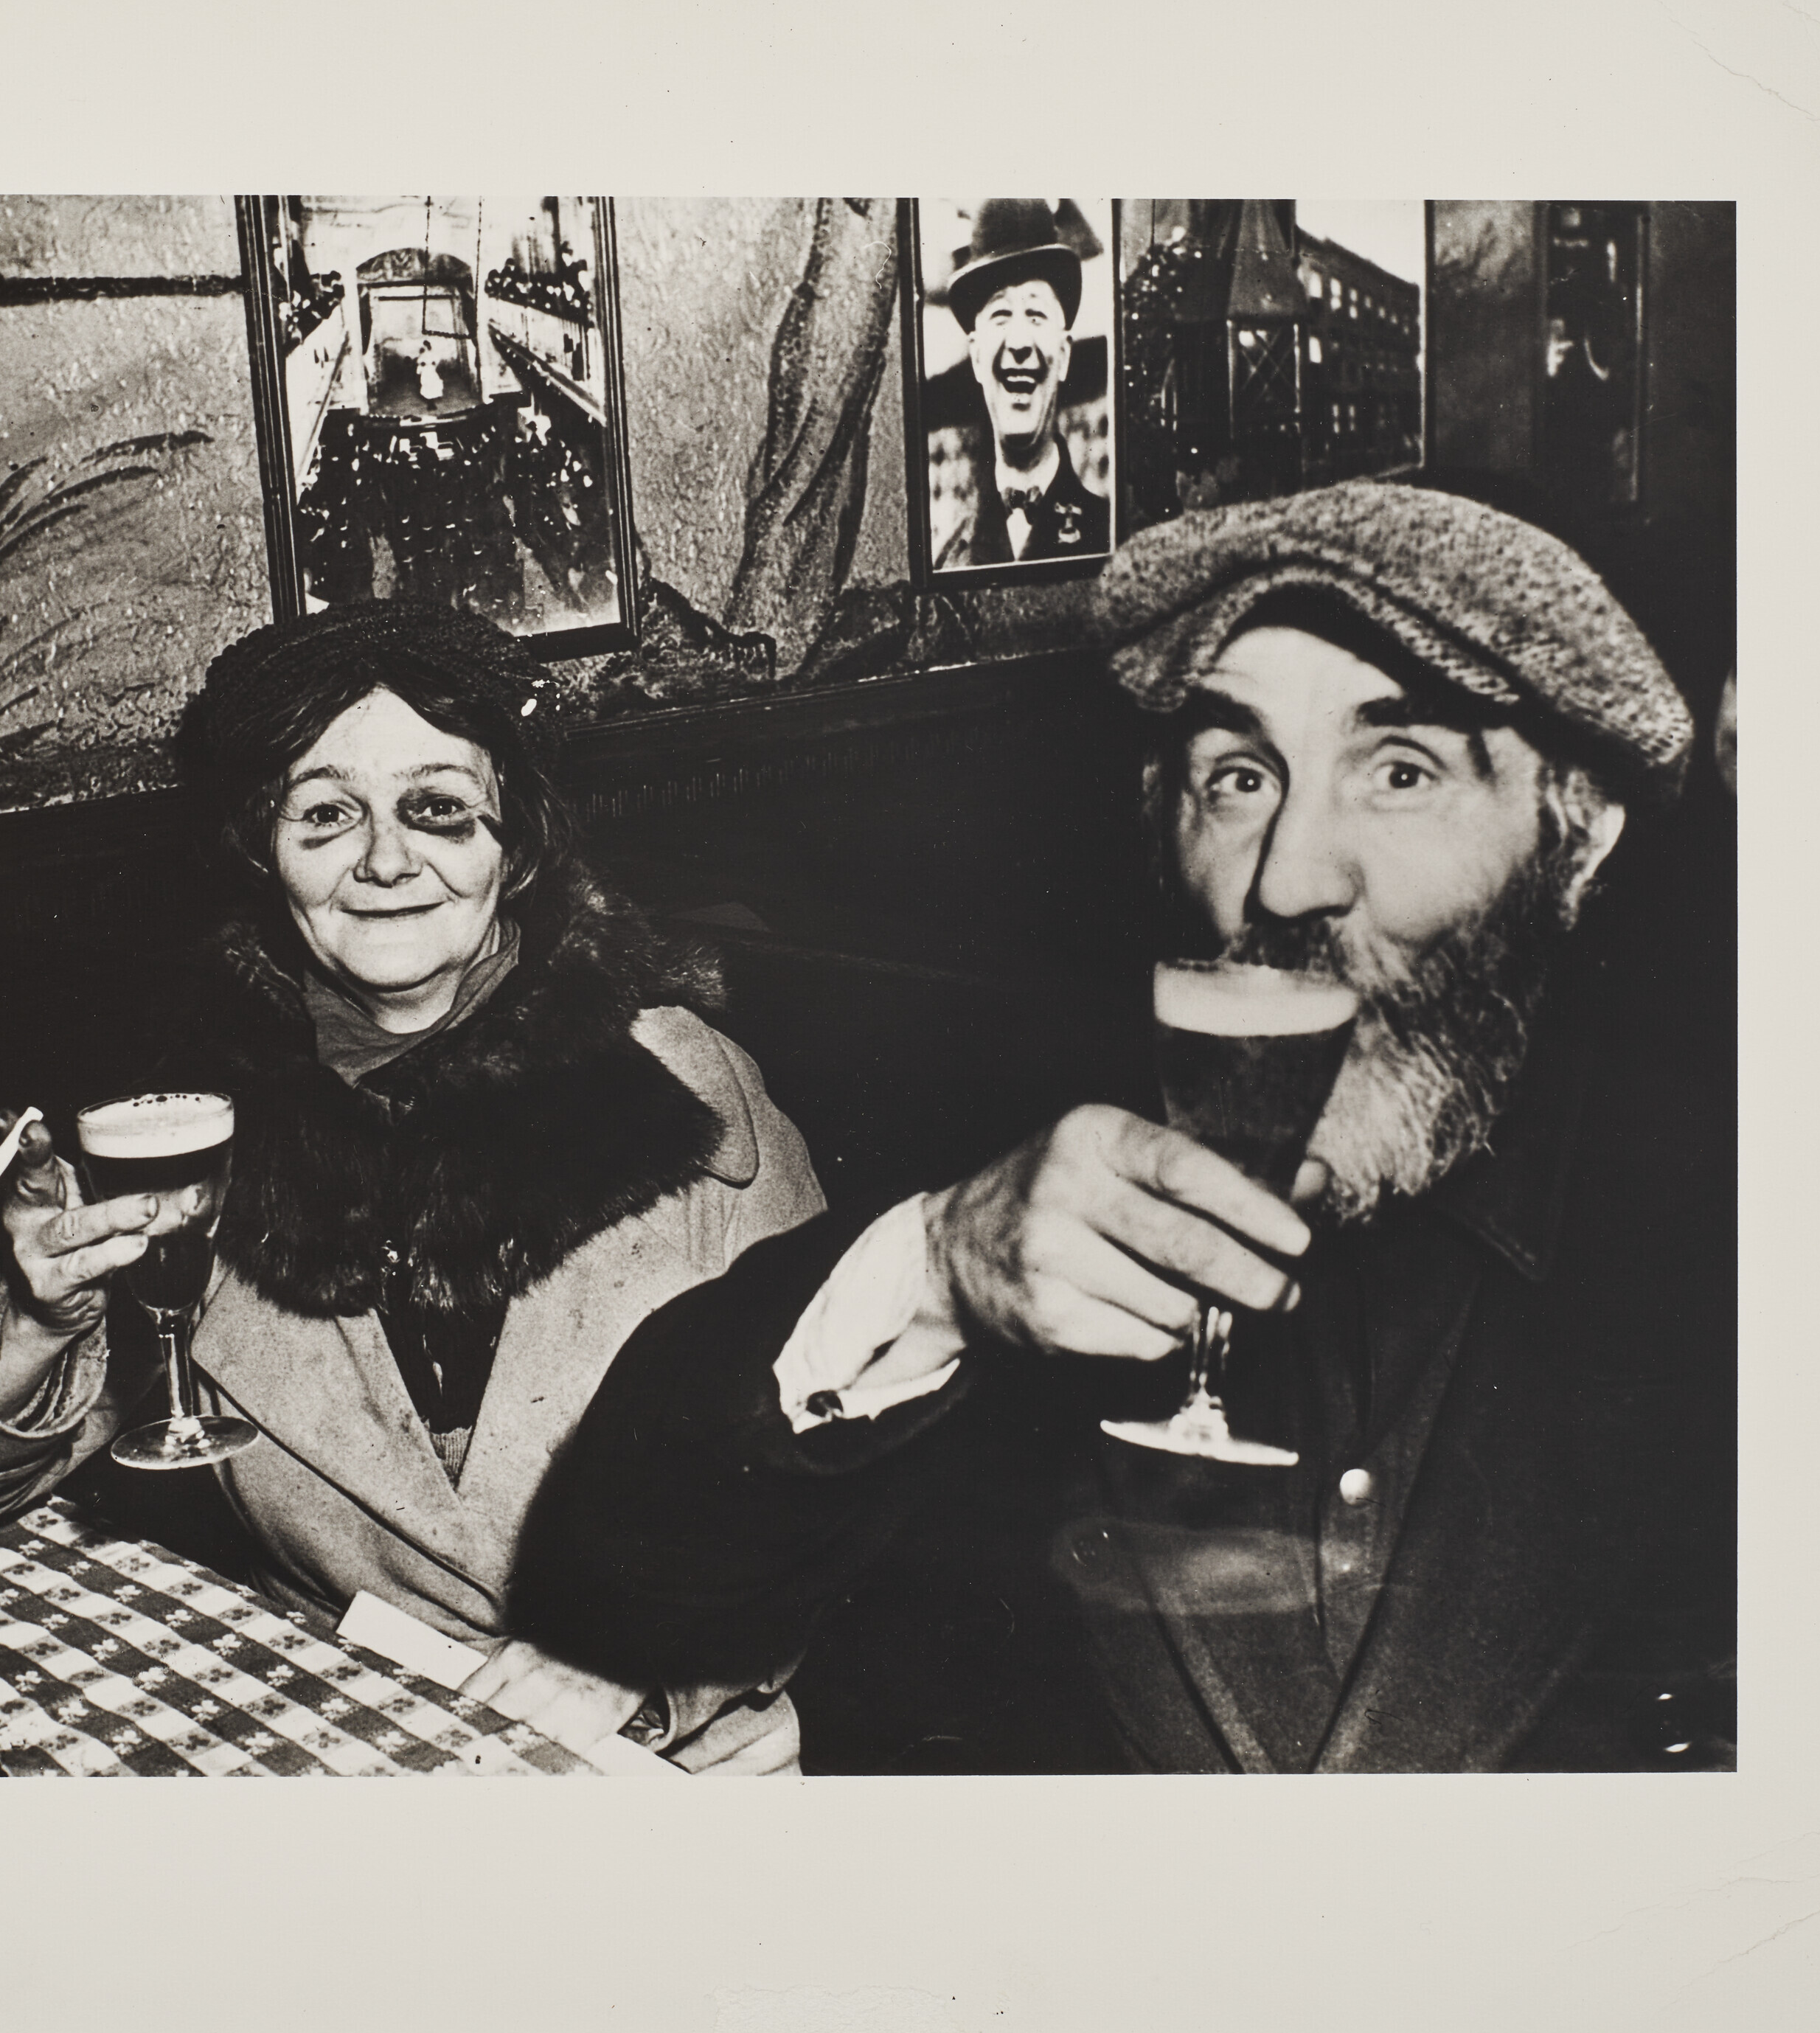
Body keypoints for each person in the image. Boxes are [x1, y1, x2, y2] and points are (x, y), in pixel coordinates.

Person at [511, 483, 1736, 1775]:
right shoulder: (1063, 1180)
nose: (1288, 879)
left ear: (1576, 834)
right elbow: (613, 1582)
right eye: (1241, 777)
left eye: (1400, 771)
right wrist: (941, 1268)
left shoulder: (1755, 1246)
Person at [0, 600, 825, 1773]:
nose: (384, 860)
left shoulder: (689, 1093)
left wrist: (645, 1660)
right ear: (262, 853)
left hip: (671, 1764)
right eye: (325, 813)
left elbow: (849, 1462)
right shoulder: (186, 1132)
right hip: (350, 1746)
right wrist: (37, 1314)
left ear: (514, 846)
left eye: (438, 808)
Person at [933, 198, 1112, 571]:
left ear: (1063, 354)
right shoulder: (947, 559)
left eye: (1036, 314)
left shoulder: (1108, 537)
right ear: (976, 357)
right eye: (1000, 314)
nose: (1018, 343)